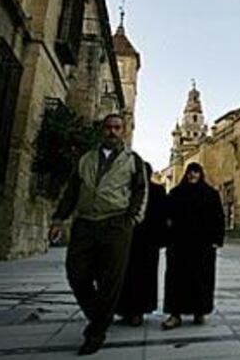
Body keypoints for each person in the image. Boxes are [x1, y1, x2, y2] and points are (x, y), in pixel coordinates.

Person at [48, 113, 148, 355]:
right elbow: (72, 191)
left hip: (116, 224)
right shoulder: (86, 159)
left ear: (123, 131)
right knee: (76, 273)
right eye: (108, 127)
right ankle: (98, 314)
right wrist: (59, 219)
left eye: (117, 127)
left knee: (110, 280)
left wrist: (131, 220)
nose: (112, 131)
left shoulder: (133, 161)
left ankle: (96, 331)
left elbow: (140, 192)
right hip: (85, 223)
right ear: (102, 130)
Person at [161, 162, 225, 330]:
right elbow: (166, 217)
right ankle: (175, 314)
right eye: (190, 172)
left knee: (201, 279)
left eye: (196, 172)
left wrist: (217, 240)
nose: (193, 176)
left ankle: (200, 311)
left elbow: (218, 217)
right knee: (176, 280)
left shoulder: (210, 194)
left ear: (200, 174)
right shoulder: (176, 194)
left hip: (202, 247)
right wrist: (167, 238)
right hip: (179, 246)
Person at [115, 162, 168, 326]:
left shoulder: (157, 191)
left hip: (148, 242)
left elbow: (163, 217)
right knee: (126, 276)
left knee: (144, 277)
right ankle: (125, 310)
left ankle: (139, 311)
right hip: (128, 240)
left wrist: (161, 239)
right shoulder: (126, 190)